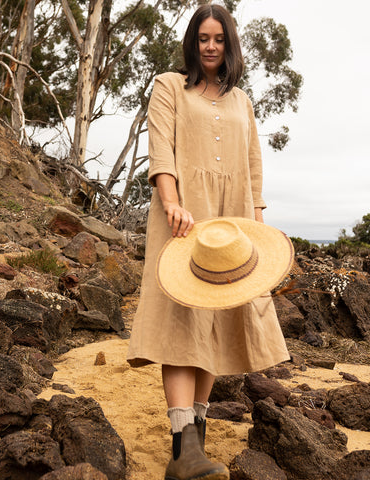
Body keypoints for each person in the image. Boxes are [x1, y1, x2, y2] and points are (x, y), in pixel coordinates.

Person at [126, 4, 293, 480]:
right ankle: (183, 449)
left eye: (219, 38)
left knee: (215, 326)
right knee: (182, 325)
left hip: (232, 220)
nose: (211, 46)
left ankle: (195, 435)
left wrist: (258, 227)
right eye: (203, 38)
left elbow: (253, 166)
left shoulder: (242, 100)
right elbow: (161, 149)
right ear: (192, 43)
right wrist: (172, 201)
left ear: (230, 43)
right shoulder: (168, 86)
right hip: (184, 216)